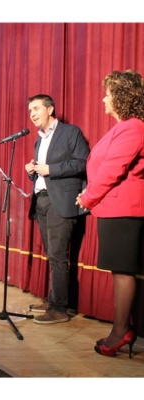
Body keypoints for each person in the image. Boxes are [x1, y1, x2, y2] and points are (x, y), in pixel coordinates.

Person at [76, 69, 144, 357]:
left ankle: (120, 332)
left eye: (108, 93)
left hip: (124, 209)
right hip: (115, 207)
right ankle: (121, 329)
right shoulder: (124, 127)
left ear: (122, 97)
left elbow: (112, 170)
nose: (104, 99)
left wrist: (88, 197)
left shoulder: (133, 127)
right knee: (120, 270)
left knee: (123, 270)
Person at [24, 94, 90, 324]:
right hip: (41, 200)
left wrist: (50, 169)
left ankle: (59, 308)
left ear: (50, 109)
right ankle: (53, 299)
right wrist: (32, 170)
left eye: (36, 108)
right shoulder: (39, 140)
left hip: (61, 201)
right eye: (30, 110)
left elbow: (83, 162)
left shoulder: (71, 132)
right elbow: (43, 171)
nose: (31, 114)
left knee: (58, 255)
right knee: (52, 254)